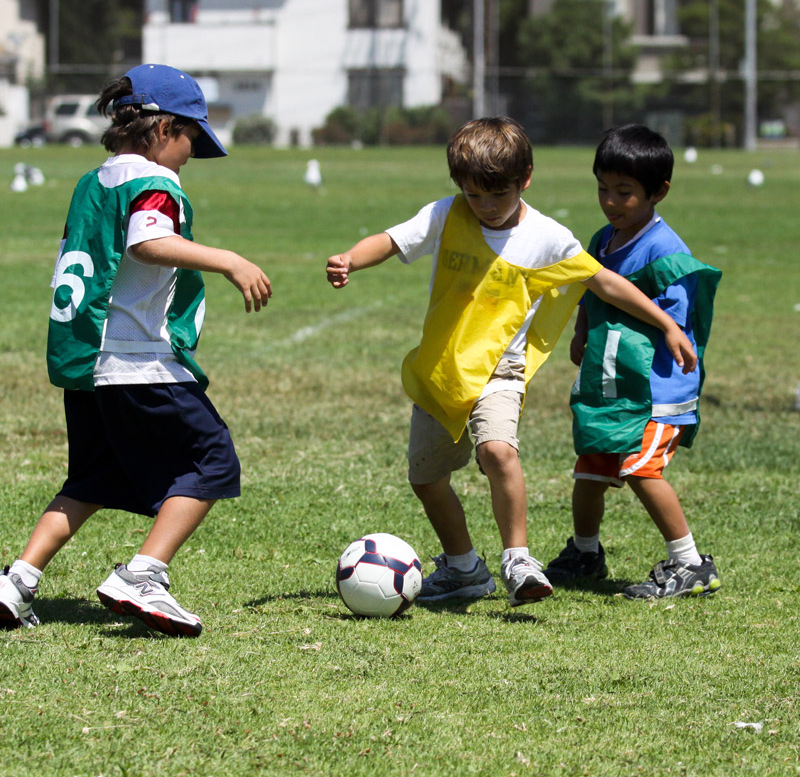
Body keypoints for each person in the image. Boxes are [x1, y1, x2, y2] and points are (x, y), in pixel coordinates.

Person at [326, 116, 697, 607]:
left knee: (498, 451)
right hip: (442, 372)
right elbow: (392, 241)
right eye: (474, 195)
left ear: (525, 179)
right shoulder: (446, 214)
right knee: (427, 479)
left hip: (502, 370)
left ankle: (518, 560)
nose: (485, 207)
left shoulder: (546, 236)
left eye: (497, 195)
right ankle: (463, 567)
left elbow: (603, 282)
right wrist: (351, 258)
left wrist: (666, 323)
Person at [0, 64, 272, 637]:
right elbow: (148, 242)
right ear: (163, 128)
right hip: (135, 358)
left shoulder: (93, 180)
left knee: (93, 477)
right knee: (212, 460)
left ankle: (17, 581)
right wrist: (229, 260)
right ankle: (143, 575)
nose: (191, 153)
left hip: (87, 357)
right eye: (191, 137)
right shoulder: (153, 181)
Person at [544, 123, 722, 599]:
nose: (610, 201)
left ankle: (691, 564)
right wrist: (581, 330)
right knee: (590, 470)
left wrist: (668, 331)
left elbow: (676, 323)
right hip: (612, 384)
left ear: (658, 192)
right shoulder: (602, 239)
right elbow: (592, 289)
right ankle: (585, 553)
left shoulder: (666, 251)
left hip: (657, 388)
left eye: (624, 192)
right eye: (602, 188)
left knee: (642, 469)